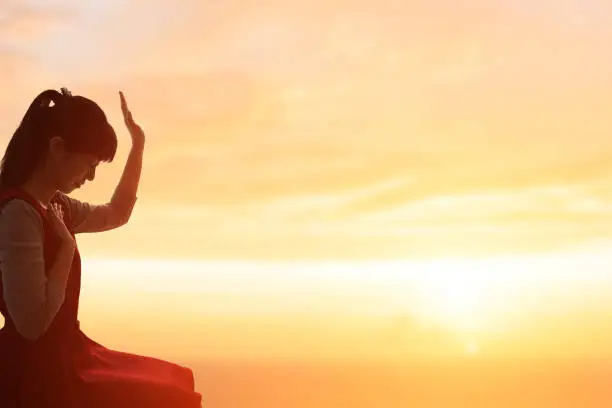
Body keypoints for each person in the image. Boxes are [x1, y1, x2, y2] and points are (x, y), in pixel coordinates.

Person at [0, 88, 202, 407]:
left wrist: (138, 146)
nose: (91, 177)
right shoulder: (17, 213)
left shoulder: (56, 206)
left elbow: (116, 213)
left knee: (174, 381)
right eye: (89, 164)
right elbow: (32, 325)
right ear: (57, 148)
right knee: (168, 397)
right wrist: (66, 248)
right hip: (37, 372)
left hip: (69, 353)